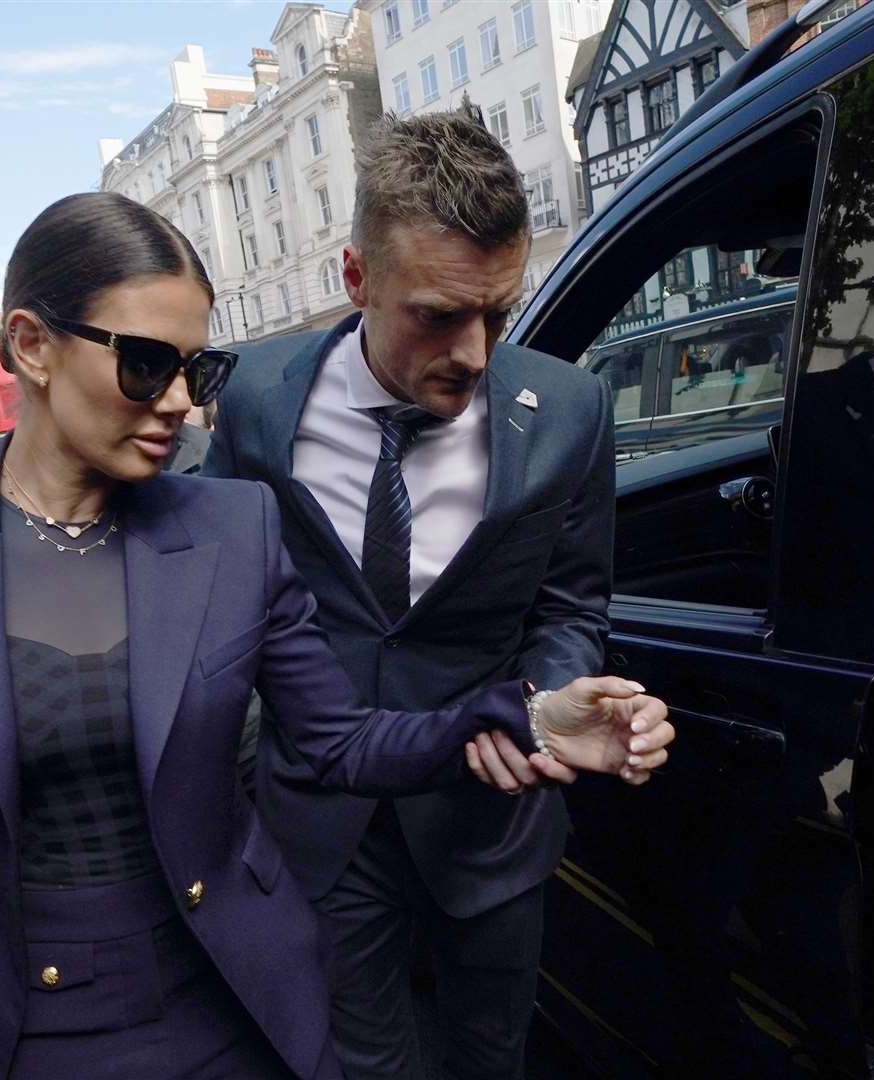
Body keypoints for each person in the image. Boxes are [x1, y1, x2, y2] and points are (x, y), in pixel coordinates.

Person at [0, 192, 672, 1080]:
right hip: (24, 997)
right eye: (149, 365)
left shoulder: (234, 527)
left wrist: (520, 715)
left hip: (229, 975)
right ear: (32, 345)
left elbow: (342, 737)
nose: (181, 404)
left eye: (201, 371)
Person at [201, 109, 638, 1080]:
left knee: (491, 1055)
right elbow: (204, 582)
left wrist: (545, 704)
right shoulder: (259, 397)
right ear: (356, 278)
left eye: (499, 312)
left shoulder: (570, 409)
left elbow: (571, 606)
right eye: (438, 315)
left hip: (491, 826)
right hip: (322, 823)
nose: (475, 352)